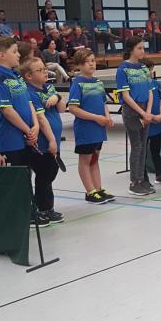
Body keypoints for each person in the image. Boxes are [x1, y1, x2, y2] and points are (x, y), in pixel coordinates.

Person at [0, 36, 53, 227]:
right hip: (10, 139)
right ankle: (21, 214)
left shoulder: (16, 75)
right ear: (2, 55)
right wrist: (27, 129)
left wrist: (35, 126)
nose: (18, 55)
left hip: (26, 136)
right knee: (16, 179)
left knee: (27, 175)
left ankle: (30, 210)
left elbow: (29, 102)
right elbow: (6, 110)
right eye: (14, 52)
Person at [67, 48, 115, 204]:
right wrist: (96, 118)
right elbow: (73, 108)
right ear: (79, 65)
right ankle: (90, 192)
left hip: (98, 128)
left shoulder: (98, 82)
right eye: (87, 62)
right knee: (85, 160)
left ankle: (98, 189)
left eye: (93, 61)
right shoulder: (77, 83)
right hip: (85, 129)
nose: (91, 64)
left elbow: (103, 102)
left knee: (95, 159)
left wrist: (107, 117)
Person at [21, 57, 64, 224]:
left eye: (45, 69)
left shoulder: (49, 87)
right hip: (44, 142)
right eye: (40, 70)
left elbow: (62, 109)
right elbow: (40, 118)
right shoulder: (30, 93)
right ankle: (43, 208)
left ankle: (48, 207)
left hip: (55, 141)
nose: (45, 72)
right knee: (44, 176)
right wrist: (51, 141)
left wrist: (57, 97)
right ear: (29, 76)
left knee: (51, 173)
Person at [117, 36, 155, 196]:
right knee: (137, 146)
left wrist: (148, 112)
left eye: (143, 47)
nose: (142, 51)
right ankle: (134, 182)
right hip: (132, 111)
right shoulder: (123, 69)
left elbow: (150, 91)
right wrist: (142, 113)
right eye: (139, 48)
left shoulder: (144, 68)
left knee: (143, 147)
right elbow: (126, 96)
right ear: (131, 49)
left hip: (145, 109)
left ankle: (141, 180)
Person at [142, 59, 161, 185]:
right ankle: (143, 178)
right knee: (142, 153)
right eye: (145, 68)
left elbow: (160, 100)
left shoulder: (156, 84)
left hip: (158, 122)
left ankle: (160, 175)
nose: (148, 71)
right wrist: (152, 117)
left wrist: (160, 115)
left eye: (150, 68)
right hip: (146, 122)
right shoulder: (139, 86)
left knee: (156, 151)